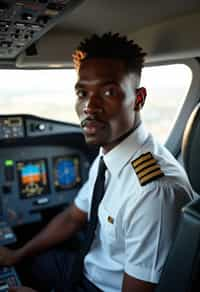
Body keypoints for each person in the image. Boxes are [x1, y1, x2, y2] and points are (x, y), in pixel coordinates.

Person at [0, 32, 194, 292]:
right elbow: (72, 218)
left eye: (108, 91)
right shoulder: (109, 152)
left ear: (138, 99)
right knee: (24, 266)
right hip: (86, 266)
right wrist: (17, 254)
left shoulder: (153, 192)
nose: (89, 106)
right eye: (82, 92)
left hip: (101, 287)